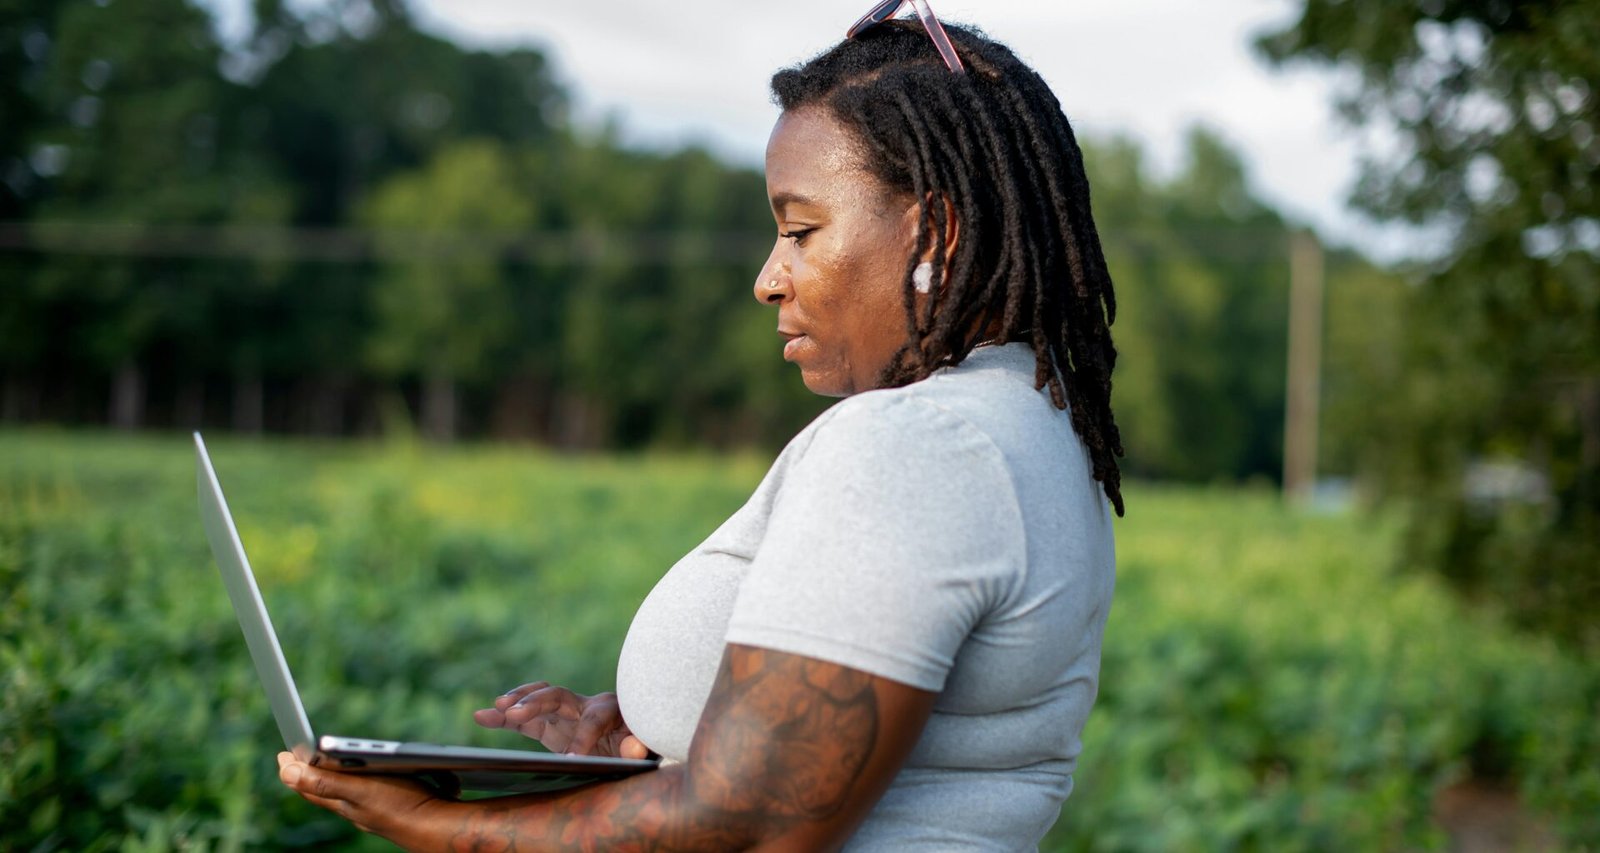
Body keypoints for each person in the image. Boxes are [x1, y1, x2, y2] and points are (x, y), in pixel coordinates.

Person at [277, 4, 1123, 849]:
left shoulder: (916, 445)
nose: (769, 278)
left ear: (935, 229)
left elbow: (757, 823)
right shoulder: (1031, 430)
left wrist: (447, 825)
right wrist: (671, 743)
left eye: (800, 231)